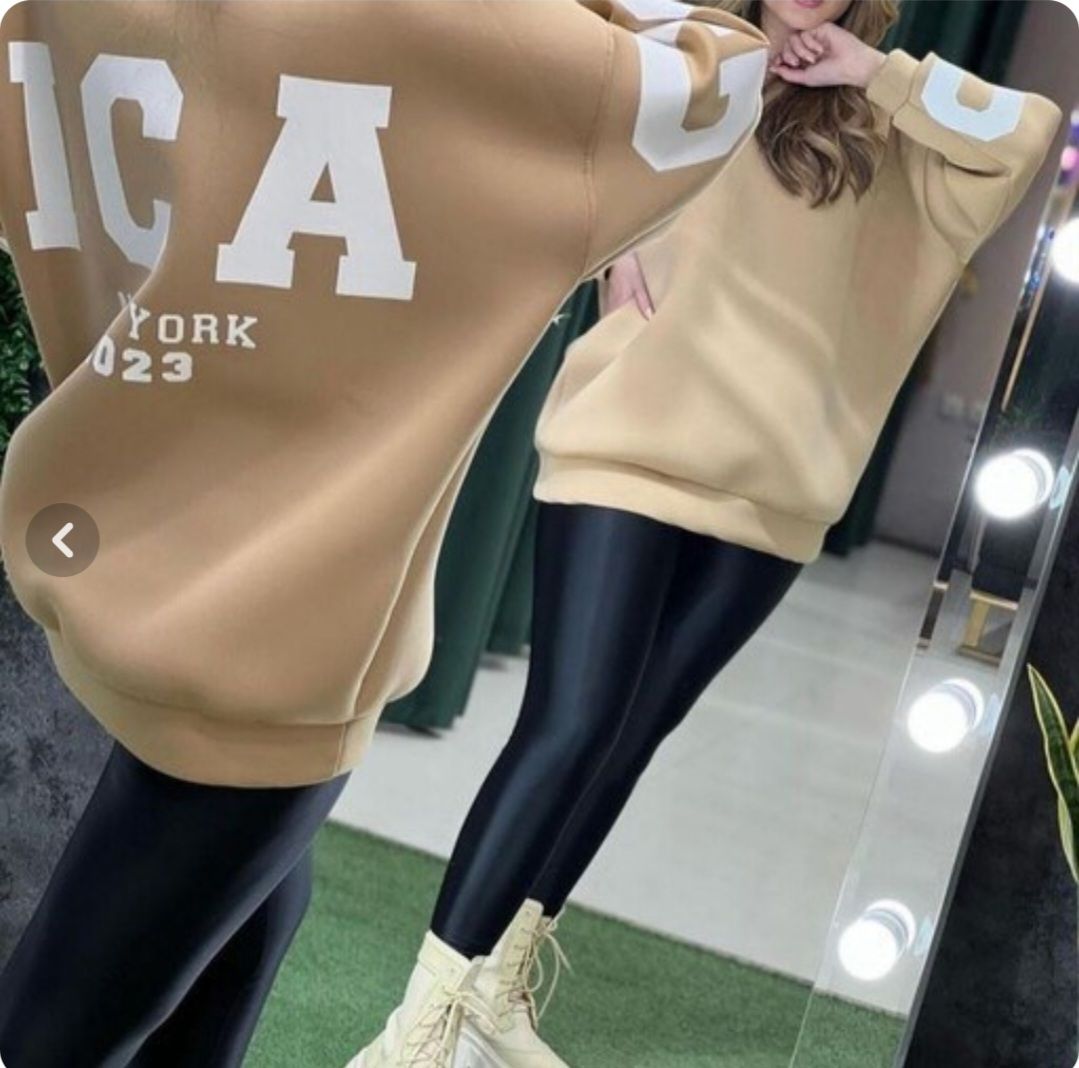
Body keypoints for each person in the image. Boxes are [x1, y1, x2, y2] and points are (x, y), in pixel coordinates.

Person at [0, 2, 770, 1066]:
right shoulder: (484, 38)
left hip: (121, 559)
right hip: (289, 644)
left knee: (189, 997)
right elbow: (718, 75)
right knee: (50, 1036)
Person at [350, 1, 1064, 1066]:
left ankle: (494, 988)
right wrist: (611, 240)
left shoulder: (888, 115)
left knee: (629, 737)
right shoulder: (691, 57)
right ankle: (420, 1025)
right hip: (624, 448)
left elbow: (1026, 129)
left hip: (773, 494)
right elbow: (555, 129)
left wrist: (874, 73)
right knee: (573, 724)